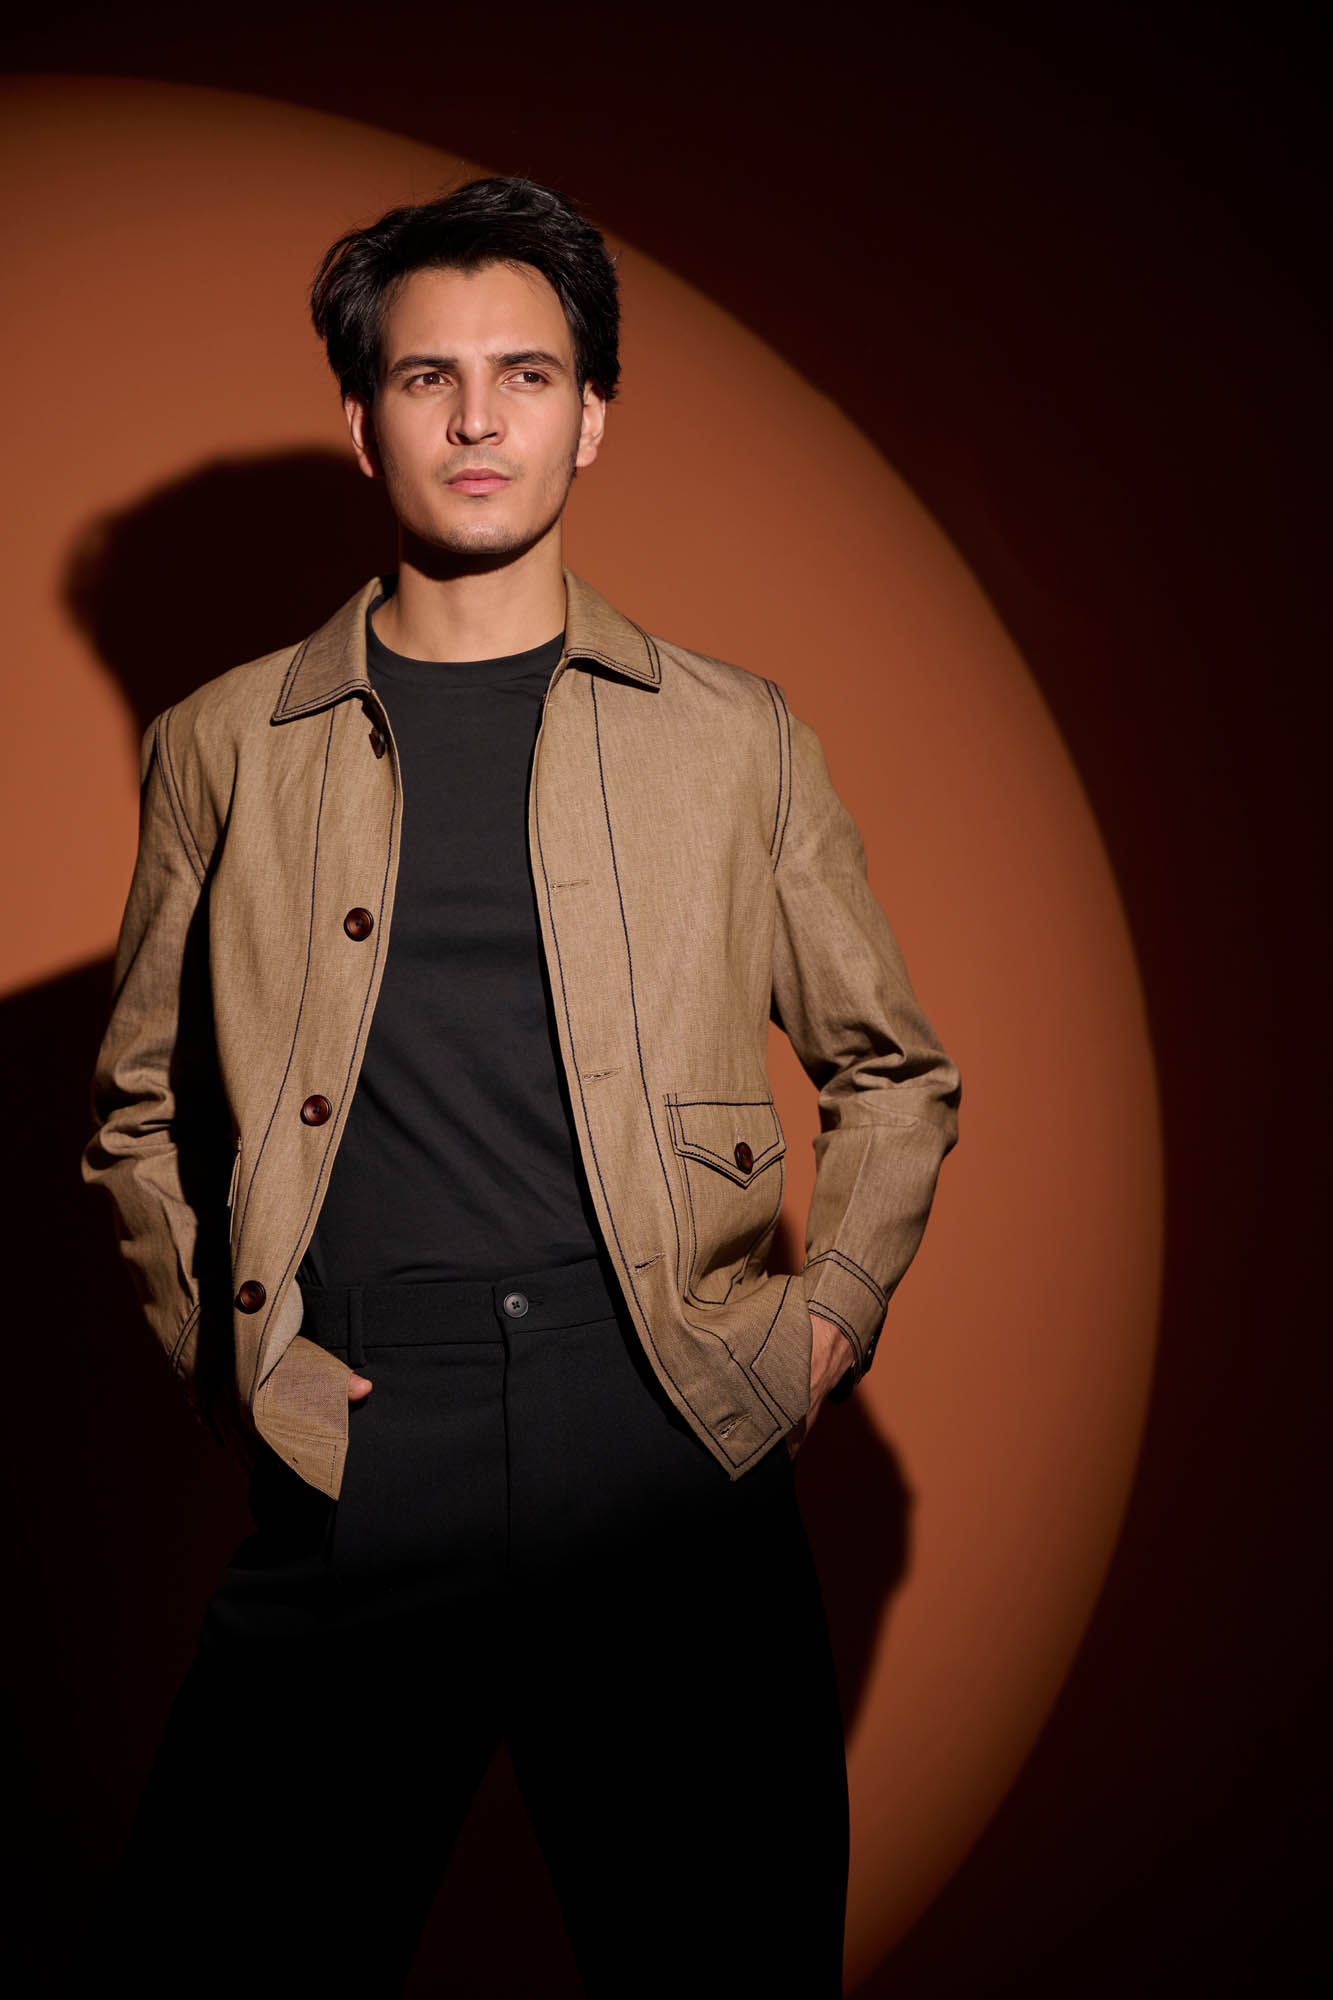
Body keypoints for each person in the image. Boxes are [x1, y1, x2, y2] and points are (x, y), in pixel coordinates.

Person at [82, 175, 960, 1997]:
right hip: (361, 1436)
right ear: (362, 421)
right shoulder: (223, 746)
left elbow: (891, 1070)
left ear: (591, 420)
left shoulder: (734, 738)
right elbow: (139, 1115)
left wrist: (820, 1327)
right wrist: (241, 1370)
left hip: (663, 1438)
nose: (478, 419)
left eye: (526, 375)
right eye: (429, 378)